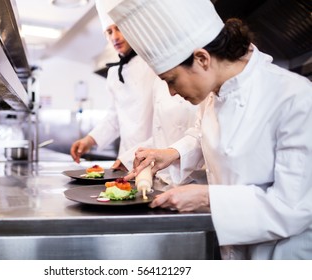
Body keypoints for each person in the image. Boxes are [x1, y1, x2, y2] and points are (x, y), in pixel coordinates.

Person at [109, 0, 312, 259]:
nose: (171, 92)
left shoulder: (295, 97)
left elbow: (293, 207)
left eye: (172, 80)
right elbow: (201, 134)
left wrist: (207, 199)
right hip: (232, 249)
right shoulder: (214, 94)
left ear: (202, 59)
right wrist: (171, 153)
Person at [70, 0, 197, 187]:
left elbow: (166, 123)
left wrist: (131, 157)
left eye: (118, 29)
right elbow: (115, 116)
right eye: (109, 32)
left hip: (158, 156)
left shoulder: (153, 65)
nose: (115, 37)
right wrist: (91, 139)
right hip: (126, 156)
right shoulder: (114, 74)